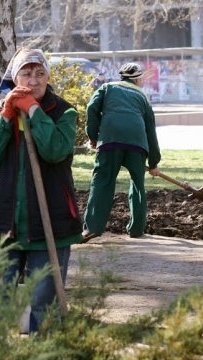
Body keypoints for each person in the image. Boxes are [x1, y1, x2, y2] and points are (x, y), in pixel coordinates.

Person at [0, 48, 83, 333]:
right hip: (4, 222)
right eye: (26, 73)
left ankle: (41, 348)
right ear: (14, 76)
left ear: (47, 76)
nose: (33, 81)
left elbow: (55, 150)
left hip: (51, 221)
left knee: (43, 304)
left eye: (40, 73)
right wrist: (7, 117)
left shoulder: (63, 111)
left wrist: (34, 110)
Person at [82, 62, 161, 242]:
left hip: (110, 139)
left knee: (103, 180)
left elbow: (91, 108)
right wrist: (154, 162)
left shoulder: (107, 87)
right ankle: (136, 229)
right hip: (137, 142)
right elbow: (151, 129)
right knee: (137, 183)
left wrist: (93, 137)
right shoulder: (143, 97)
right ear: (139, 79)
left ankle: (92, 227)